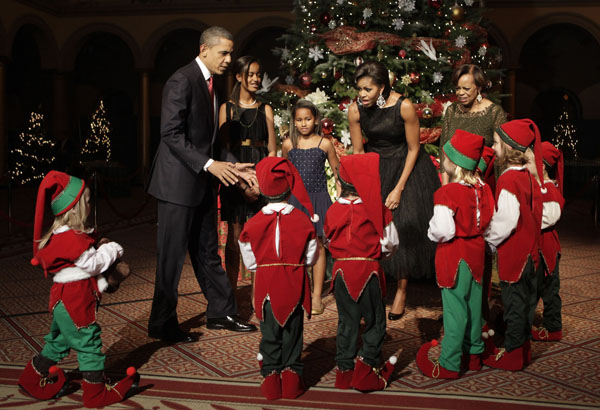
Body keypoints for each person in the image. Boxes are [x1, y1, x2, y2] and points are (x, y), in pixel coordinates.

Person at [146, 26, 257, 343]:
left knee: (208, 251)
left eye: (231, 52)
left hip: (201, 184)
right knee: (171, 258)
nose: (229, 59)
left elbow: (206, 140)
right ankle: (161, 324)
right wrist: (210, 165)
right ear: (204, 49)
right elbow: (171, 134)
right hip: (176, 185)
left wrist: (231, 165)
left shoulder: (211, 84)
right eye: (224, 52)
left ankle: (221, 313)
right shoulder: (182, 80)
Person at [18, 171, 137, 408]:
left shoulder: (62, 236)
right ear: (74, 209)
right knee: (89, 343)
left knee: (60, 341)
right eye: (88, 201)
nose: (92, 205)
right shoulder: (71, 239)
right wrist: (113, 249)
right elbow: (92, 265)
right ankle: (95, 395)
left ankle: (30, 378)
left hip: (63, 300)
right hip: (75, 300)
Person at [348, 61, 440, 320]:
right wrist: (361, 186)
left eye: (368, 89)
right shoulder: (355, 110)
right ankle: (375, 285)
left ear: (382, 87)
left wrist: (399, 188)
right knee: (372, 226)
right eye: (359, 89)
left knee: (402, 223)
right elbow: (357, 152)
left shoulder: (405, 106)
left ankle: (401, 289)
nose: (362, 94)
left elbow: (414, 148)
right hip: (375, 165)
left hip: (407, 166)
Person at [416, 130, 494, 379]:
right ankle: (474, 355)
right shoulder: (483, 189)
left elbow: (442, 230)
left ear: (456, 163)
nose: (442, 161)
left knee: (454, 309)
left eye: (445, 156)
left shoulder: (447, 193)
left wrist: (430, 233)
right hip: (477, 251)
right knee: (473, 305)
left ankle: (449, 363)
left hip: (454, 254)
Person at [238, 157, 318, 400]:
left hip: (267, 286)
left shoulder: (252, 223)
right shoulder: (303, 220)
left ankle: (272, 380)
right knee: (293, 332)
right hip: (294, 283)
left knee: (269, 332)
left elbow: (249, 260)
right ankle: (293, 379)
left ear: (261, 188)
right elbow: (311, 257)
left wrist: (262, 265)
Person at [324, 153, 398, 392]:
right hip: (369, 271)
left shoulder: (332, 211)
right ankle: (366, 367)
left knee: (347, 321)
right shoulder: (377, 210)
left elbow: (327, 239)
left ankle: (344, 371)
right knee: (375, 320)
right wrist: (375, 254)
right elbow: (391, 243)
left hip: (342, 272)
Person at [483, 119, 544, 371]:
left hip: (515, 255)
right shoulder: (528, 177)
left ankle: (513, 354)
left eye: (497, 144)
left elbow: (506, 220)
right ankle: (523, 349)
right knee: (526, 302)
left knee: (514, 306)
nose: (493, 148)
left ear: (509, 148)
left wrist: (488, 241)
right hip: (531, 253)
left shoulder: (509, 180)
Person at [218, 56, 277, 301]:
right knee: (233, 240)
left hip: (259, 174)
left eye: (258, 74)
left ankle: (257, 294)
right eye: (250, 74)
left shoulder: (265, 109)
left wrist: (260, 182)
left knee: (259, 239)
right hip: (234, 177)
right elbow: (223, 151)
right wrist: (242, 185)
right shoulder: (227, 108)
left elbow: (272, 150)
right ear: (239, 76)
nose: (255, 79)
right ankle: (230, 293)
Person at [282, 99, 339, 315]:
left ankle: (316, 296)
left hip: (318, 199)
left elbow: (337, 170)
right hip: (295, 200)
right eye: (299, 120)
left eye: (308, 119)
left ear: (315, 120)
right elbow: (284, 174)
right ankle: (299, 292)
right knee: (296, 247)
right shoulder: (288, 145)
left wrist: (341, 194)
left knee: (318, 246)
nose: (304, 123)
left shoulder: (324, 143)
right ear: (294, 122)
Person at [439, 64, 506, 186]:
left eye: (466, 88)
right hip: (453, 182)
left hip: (480, 183)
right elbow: (443, 149)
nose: (460, 93)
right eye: (458, 88)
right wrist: (445, 185)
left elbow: (502, 153)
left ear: (479, 88)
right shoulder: (452, 111)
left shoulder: (494, 113)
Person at [531, 142, 564, 341]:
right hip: (535, 245)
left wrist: (526, 218)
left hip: (547, 248)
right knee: (533, 286)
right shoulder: (535, 187)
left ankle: (553, 327)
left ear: (541, 165)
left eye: (529, 161)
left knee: (550, 290)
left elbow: (549, 217)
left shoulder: (550, 190)